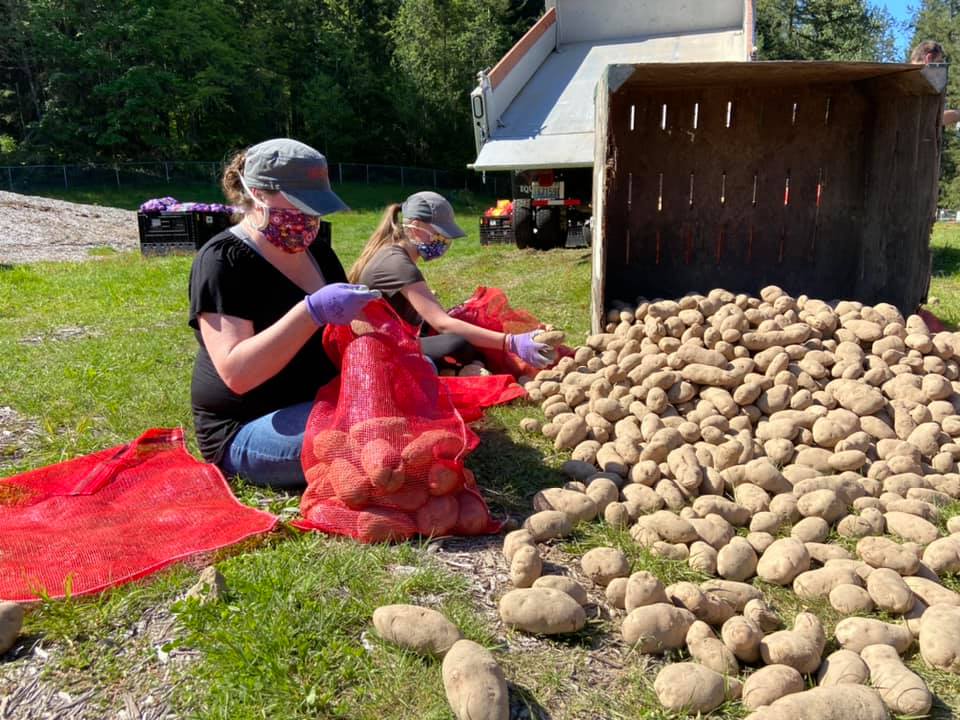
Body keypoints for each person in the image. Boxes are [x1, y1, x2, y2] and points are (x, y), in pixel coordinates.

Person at [188, 138, 379, 489]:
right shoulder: (223, 261)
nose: (308, 218)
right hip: (247, 425)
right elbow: (237, 373)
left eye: (315, 208)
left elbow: (351, 329)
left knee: (393, 414)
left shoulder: (318, 252)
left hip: (318, 402)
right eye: (298, 205)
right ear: (257, 194)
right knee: (365, 440)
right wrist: (310, 312)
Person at [348, 191, 553, 371]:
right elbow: (443, 324)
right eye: (439, 234)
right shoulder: (397, 264)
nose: (443, 242)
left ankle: (469, 364)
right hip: (381, 349)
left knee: (466, 334)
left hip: (392, 336)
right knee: (457, 343)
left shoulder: (394, 252)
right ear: (416, 226)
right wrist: (510, 342)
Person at [910, 40, 960, 127]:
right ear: (928, 58)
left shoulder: (900, 79)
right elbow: (933, 119)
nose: (940, 68)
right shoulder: (918, 82)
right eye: (939, 62)